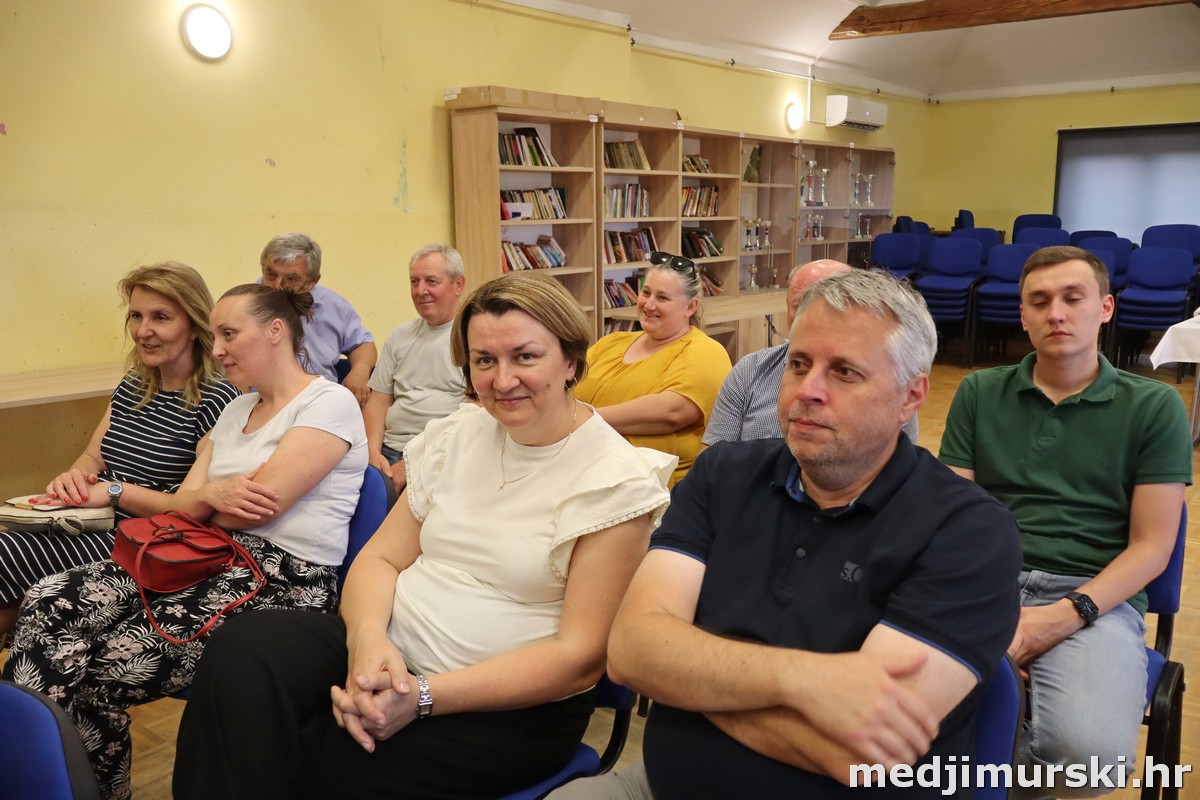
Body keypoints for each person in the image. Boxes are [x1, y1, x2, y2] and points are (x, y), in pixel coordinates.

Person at [172, 272, 675, 800]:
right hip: (393, 654)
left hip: (508, 707)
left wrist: (423, 695)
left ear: (570, 361)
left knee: (311, 755)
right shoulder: (459, 433)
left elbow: (578, 659)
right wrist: (368, 641)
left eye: (525, 357)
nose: (503, 380)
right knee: (243, 650)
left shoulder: (613, 480)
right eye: (484, 360)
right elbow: (380, 560)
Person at [550, 269, 1022, 799]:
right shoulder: (722, 475)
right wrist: (804, 681)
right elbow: (631, 652)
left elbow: (858, 753)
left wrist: (686, 680)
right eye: (799, 364)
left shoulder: (969, 531)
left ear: (911, 396)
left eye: (844, 372)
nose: (807, 391)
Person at [2, 284, 368, 800]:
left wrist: (206, 499)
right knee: (46, 599)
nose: (217, 349)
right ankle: (40, 778)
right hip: (204, 555)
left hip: (282, 581)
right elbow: (184, 505)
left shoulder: (329, 402)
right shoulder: (237, 410)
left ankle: (43, 779)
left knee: (91, 669)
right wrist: (211, 497)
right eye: (215, 336)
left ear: (275, 331)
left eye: (229, 334)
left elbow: (261, 503)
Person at [938, 246, 1191, 799]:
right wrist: (992, 614)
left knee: (1092, 762)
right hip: (986, 584)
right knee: (889, 715)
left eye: (1073, 298)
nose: (1056, 313)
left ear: (1105, 308)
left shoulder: (1155, 407)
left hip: (1097, 596)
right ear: (1022, 316)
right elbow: (953, 520)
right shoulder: (979, 393)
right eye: (1040, 301)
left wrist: (1059, 618)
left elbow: (1153, 547)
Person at [0, 262, 239, 637]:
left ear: (195, 326)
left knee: (6, 556)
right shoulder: (134, 383)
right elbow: (93, 458)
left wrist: (113, 491)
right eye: (136, 316)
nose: (143, 331)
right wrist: (72, 481)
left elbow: (190, 510)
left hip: (141, 538)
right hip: (94, 518)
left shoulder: (218, 399)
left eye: (161, 317)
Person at [702, 259, 918, 449]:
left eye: (830, 305)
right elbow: (712, 462)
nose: (813, 317)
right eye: (801, 305)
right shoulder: (750, 371)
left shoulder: (888, 380)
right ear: (787, 307)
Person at [575, 251, 731, 486]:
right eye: (646, 293)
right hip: (580, 470)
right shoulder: (611, 342)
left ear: (690, 307)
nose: (648, 304)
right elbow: (565, 386)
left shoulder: (706, 351)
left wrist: (579, 420)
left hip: (651, 490)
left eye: (663, 298)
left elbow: (671, 412)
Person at [363, 243, 467, 497]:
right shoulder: (400, 336)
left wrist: (415, 462)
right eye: (414, 281)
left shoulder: (473, 339)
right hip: (388, 451)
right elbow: (378, 401)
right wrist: (371, 453)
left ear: (458, 285)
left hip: (443, 456)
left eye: (431, 281)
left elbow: (475, 415)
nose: (421, 291)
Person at [259, 232, 377, 406]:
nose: (278, 286)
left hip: (322, 403)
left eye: (291, 279)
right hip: (264, 404)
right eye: (271, 275)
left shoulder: (333, 306)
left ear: (313, 280)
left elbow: (362, 343)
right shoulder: (243, 304)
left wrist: (361, 369)